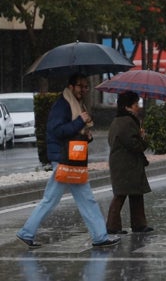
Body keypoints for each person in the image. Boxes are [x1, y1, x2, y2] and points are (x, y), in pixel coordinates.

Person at [16, 73, 120, 248]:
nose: (85, 90)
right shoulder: (62, 105)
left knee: (67, 199)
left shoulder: (74, 104)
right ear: (71, 86)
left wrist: (85, 134)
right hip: (65, 160)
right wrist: (80, 122)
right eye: (81, 86)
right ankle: (99, 236)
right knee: (75, 199)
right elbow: (57, 131)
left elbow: (70, 133)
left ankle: (27, 232)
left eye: (86, 86)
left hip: (71, 159)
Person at [105, 91, 153, 234]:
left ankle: (138, 224)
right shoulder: (126, 121)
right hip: (126, 164)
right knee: (121, 195)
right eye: (135, 104)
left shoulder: (120, 120)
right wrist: (143, 138)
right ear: (127, 106)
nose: (138, 106)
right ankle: (113, 226)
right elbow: (133, 144)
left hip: (126, 163)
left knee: (135, 194)